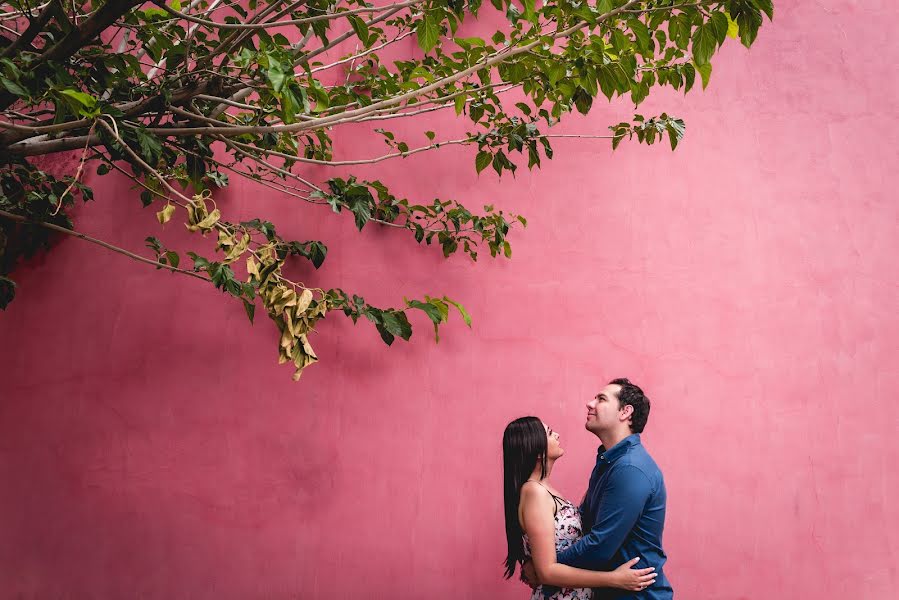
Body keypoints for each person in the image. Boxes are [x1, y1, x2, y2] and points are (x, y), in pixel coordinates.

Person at [503, 416, 657, 599]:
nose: (557, 435)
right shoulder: (534, 492)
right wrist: (614, 579)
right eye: (550, 433)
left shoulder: (546, 491)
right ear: (536, 450)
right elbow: (547, 572)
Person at [546, 378, 673, 599]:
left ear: (625, 412)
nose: (589, 403)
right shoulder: (609, 462)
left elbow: (599, 545)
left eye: (601, 399)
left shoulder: (630, 468)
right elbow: (583, 522)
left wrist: (547, 569)